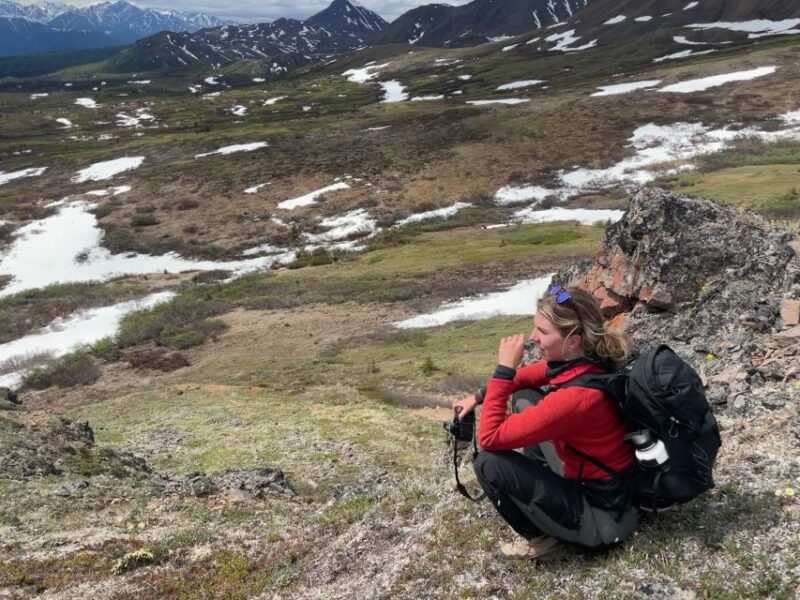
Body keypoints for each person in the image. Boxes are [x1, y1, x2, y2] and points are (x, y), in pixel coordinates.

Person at [452, 284, 639, 560]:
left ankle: (544, 540)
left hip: (602, 521)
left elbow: (489, 437)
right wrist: (478, 396)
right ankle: (547, 498)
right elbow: (527, 377)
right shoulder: (590, 358)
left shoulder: (576, 398)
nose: (532, 337)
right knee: (526, 396)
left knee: (488, 463)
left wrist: (504, 369)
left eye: (542, 332)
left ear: (572, 340)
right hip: (612, 488)